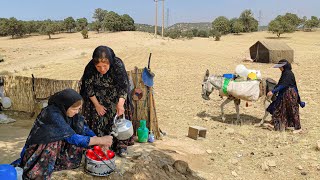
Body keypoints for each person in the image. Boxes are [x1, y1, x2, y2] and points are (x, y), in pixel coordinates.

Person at [11, 88, 113, 179]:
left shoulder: (70, 113)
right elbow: (72, 138)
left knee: (81, 134)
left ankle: (58, 161)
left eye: (79, 109)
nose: (77, 112)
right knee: (54, 141)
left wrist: (97, 139)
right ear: (65, 106)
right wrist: (100, 140)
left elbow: (84, 128)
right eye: (74, 109)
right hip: (40, 149)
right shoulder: (51, 114)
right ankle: (39, 169)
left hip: (58, 146)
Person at [79, 45, 134, 157]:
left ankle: (120, 145)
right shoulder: (90, 67)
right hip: (97, 98)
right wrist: (97, 105)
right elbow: (88, 87)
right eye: (99, 67)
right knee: (98, 118)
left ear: (110, 62)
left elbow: (123, 86)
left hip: (117, 97)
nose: (102, 69)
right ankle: (99, 144)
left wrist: (120, 104)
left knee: (118, 121)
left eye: (105, 66)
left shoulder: (117, 64)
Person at [266, 59, 305, 133]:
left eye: (280, 67)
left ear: (284, 66)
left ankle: (298, 128)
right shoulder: (284, 73)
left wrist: (273, 91)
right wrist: (273, 90)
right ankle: (276, 125)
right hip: (284, 94)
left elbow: (283, 85)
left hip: (290, 95)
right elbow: (280, 84)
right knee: (280, 109)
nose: (279, 68)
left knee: (292, 110)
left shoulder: (288, 74)